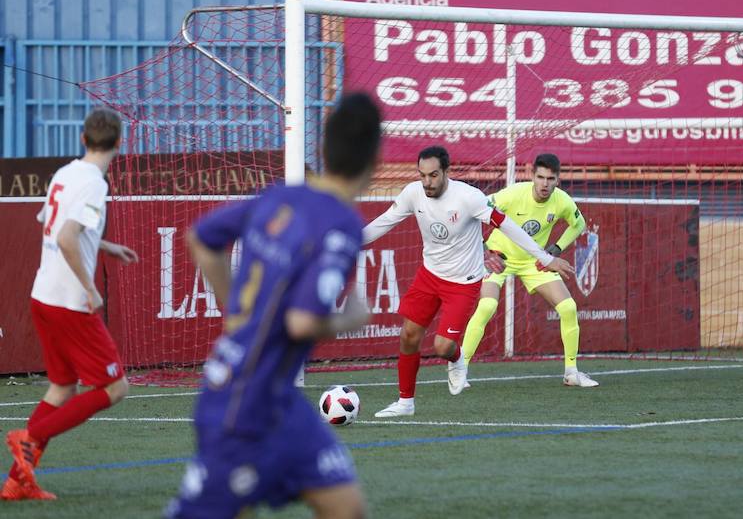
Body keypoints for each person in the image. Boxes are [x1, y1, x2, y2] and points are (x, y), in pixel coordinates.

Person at [165, 93, 381, 519]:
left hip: (280, 400)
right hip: (242, 401)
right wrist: (349, 318)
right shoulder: (341, 224)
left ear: (324, 148)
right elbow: (302, 322)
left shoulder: (278, 196)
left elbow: (200, 239)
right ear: (374, 160)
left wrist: (237, 314)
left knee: (347, 509)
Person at [364, 146, 575, 418]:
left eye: (433, 175)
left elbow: (507, 225)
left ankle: (457, 357)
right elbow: (384, 222)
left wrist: (545, 258)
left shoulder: (469, 197)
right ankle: (406, 402)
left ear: (447, 173)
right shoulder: (413, 193)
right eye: (423, 175)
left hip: (463, 282)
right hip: (429, 275)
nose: (427, 182)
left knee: (442, 347)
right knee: (408, 336)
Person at [3, 108, 138, 501]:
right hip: (69, 301)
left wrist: (105, 245)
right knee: (115, 387)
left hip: (42, 295)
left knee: (62, 386)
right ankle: (31, 437)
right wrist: (90, 289)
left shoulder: (66, 173)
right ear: (118, 143)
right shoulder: (95, 183)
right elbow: (65, 236)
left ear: (83, 139)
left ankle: (17, 481)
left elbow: (53, 223)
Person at [460, 153, 598, 389]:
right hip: (498, 258)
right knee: (487, 305)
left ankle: (571, 372)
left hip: (534, 262)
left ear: (558, 180)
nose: (545, 183)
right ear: (532, 176)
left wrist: (555, 249)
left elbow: (579, 224)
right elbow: (474, 210)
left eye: (550, 178)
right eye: (541, 177)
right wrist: (483, 249)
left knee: (568, 307)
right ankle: (459, 370)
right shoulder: (513, 194)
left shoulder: (562, 201)